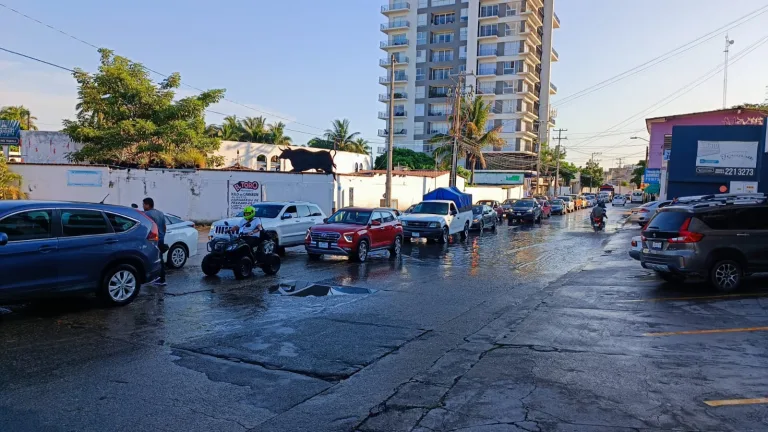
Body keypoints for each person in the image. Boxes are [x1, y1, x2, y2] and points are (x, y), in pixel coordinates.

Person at [142, 197, 167, 286]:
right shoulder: (160, 213)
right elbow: (164, 227)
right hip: (160, 238)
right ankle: (162, 279)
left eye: (144, 204)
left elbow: (146, 227)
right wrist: (162, 236)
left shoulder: (147, 214)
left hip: (152, 240)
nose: (143, 206)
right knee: (160, 259)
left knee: (152, 259)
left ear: (148, 205)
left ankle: (156, 279)